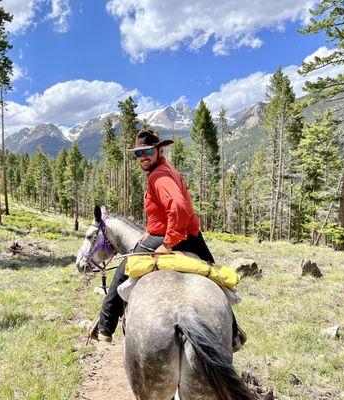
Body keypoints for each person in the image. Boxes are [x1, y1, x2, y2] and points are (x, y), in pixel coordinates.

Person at [91, 129, 246, 351]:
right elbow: (162, 212)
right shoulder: (166, 171)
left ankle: (104, 329)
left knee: (122, 273)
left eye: (147, 151)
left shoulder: (158, 176)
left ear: (159, 150)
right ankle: (233, 334)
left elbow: (179, 208)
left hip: (172, 236)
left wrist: (167, 243)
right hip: (192, 237)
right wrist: (150, 229)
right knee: (213, 275)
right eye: (138, 153)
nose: (143, 156)